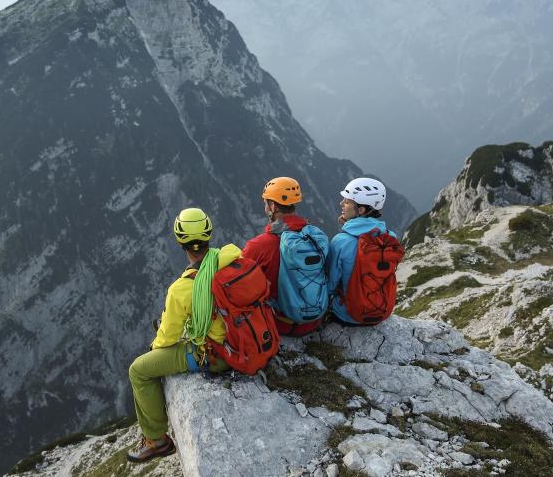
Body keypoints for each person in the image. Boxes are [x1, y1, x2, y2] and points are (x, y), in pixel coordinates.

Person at [126, 207, 239, 463]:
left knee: (139, 371)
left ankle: (157, 440)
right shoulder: (233, 256)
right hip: (245, 342)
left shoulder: (182, 288)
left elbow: (167, 338)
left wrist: (157, 345)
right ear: (209, 233)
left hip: (218, 355)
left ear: (180, 242)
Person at [242, 177, 327, 336]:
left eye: (266, 202)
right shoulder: (314, 239)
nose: (265, 206)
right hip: (314, 321)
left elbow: (240, 285)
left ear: (273, 206)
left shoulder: (258, 246)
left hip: (279, 324)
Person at [327, 177, 400, 325]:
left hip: (348, 315)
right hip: (381, 312)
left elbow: (330, 284)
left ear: (360, 210)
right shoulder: (390, 238)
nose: (341, 204)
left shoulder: (340, 241)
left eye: (347, 202)